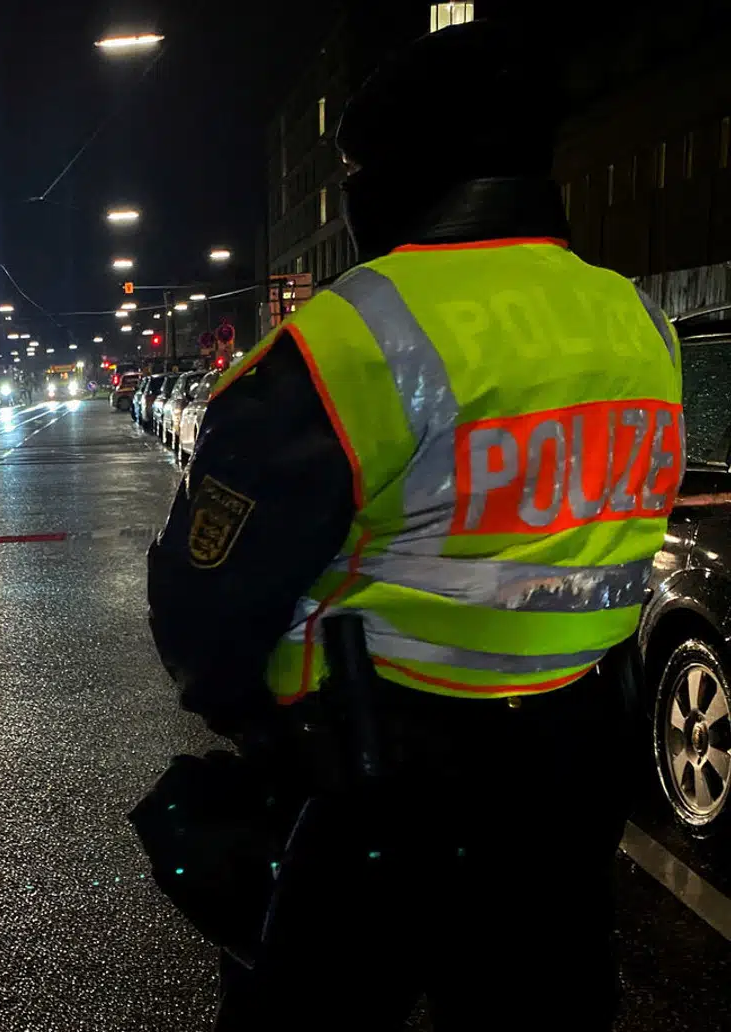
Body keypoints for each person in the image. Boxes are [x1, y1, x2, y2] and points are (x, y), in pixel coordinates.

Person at [144, 20, 684, 1031]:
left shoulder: (357, 332)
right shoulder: (636, 320)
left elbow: (208, 597)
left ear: (392, 173)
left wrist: (259, 726)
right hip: (573, 772)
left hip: (381, 782)